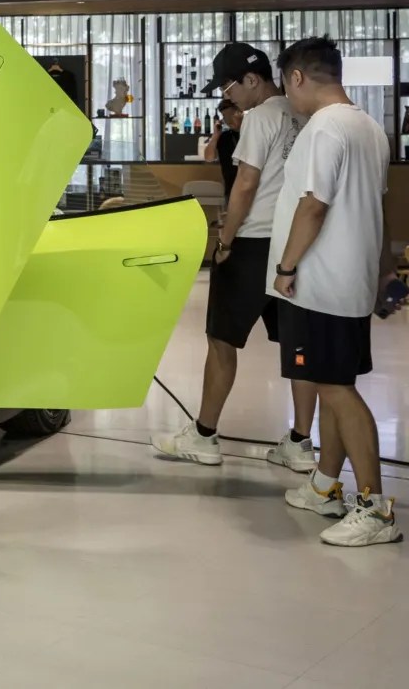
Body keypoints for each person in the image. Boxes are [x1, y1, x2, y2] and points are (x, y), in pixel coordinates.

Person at [153, 43, 317, 470]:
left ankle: (204, 435)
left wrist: (225, 241)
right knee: (297, 346)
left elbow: (245, 183)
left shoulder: (260, 117)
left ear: (252, 79)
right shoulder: (304, 114)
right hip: (295, 246)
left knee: (221, 340)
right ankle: (301, 443)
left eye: (229, 88)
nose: (229, 98)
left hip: (252, 243)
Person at [270, 37, 401, 547]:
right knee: (332, 382)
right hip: (349, 281)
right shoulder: (369, 127)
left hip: (319, 284)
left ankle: (375, 509)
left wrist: (286, 266)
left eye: (287, 86)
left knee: (339, 391)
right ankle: (325, 486)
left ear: (297, 77)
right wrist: (384, 272)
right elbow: (378, 210)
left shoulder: (324, 128)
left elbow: (314, 206)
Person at [203, 98, 244, 201]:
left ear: (241, 113)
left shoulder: (251, 132)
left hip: (252, 187)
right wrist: (215, 135)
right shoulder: (225, 137)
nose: (229, 120)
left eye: (231, 115)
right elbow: (209, 157)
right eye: (225, 116)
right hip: (231, 189)